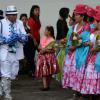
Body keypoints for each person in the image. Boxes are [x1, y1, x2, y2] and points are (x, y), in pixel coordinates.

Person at [62, 4, 90, 100]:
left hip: (81, 53)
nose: (75, 16)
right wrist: (69, 45)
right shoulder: (75, 26)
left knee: (79, 73)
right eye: (75, 14)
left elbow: (85, 41)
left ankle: (81, 94)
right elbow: (71, 38)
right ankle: (76, 93)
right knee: (73, 73)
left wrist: (75, 46)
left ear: (82, 16)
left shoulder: (86, 27)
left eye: (77, 14)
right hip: (72, 52)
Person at [0, 5, 27, 100]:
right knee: (6, 74)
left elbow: (25, 37)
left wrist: (20, 37)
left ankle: (2, 87)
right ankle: (7, 94)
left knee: (13, 74)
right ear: (7, 15)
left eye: (15, 14)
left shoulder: (19, 23)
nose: (14, 16)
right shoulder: (1, 23)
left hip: (16, 53)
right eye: (12, 15)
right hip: (5, 52)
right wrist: (6, 40)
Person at [79, 9, 100, 100]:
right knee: (90, 75)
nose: (93, 22)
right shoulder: (93, 31)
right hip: (91, 56)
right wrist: (87, 43)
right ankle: (91, 95)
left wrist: (97, 48)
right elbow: (90, 42)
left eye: (95, 20)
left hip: (98, 57)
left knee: (97, 76)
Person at [36, 26, 59, 91]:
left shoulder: (52, 40)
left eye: (46, 30)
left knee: (49, 72)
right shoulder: (43, 38)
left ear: (49, 32)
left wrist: (46, 50)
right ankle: (45, 86)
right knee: (43, 72)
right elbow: (39, 46)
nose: (44, 31)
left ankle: (47, 85)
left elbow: (54, 50)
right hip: (42, 57)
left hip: (49, 58)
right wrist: (41, 49)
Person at [28, 5, 41, 77]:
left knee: (41, 54)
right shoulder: (31, 19)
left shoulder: (37, 19)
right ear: (32, 11)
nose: (37, 11)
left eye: (38, 10)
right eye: (36, 10)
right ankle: (32, 72)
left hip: (38, 39)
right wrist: (34, 40)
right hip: (32, 40)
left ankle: (40, 70)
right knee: (32, 56)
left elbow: (37, 30)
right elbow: (31, 31)